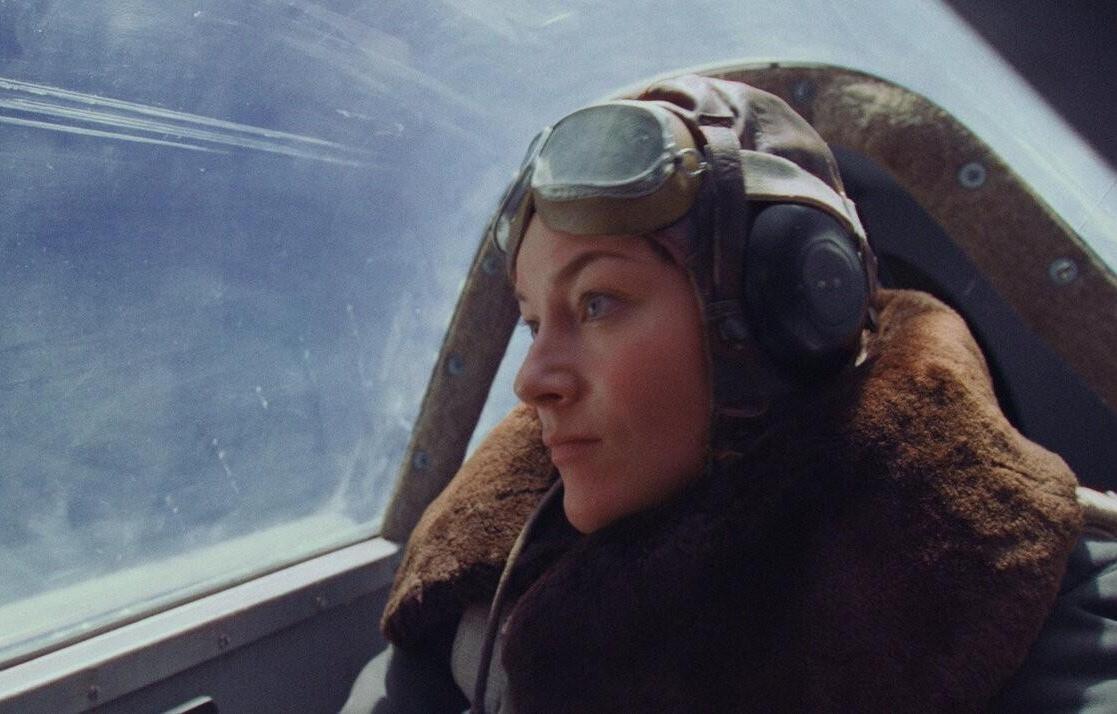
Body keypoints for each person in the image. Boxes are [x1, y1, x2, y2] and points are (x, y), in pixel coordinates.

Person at [342, 75, 1116, 712]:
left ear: (792, 310)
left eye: (596, 303)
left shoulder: (1042, 603)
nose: (531, 379)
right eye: (533, 322)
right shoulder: (472, 618)